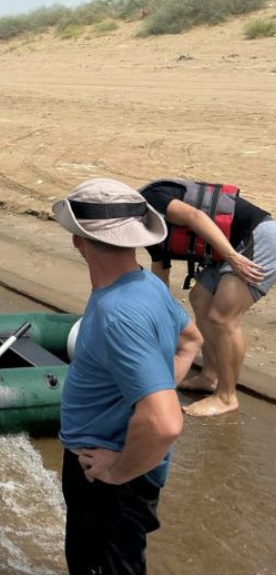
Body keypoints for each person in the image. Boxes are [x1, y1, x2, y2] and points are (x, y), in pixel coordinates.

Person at [52, 178, 203, 574]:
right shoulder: (146, 284)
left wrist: (117, 471)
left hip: (110, 476)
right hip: (122, 464)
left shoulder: (118, 312)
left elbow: (165, 422)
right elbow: (190, 341)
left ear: (78, 241)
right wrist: (152, 390)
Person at [139, 179, 273, 416]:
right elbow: (161, 276)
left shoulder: (152, 199)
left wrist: (232, 257)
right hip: (229, 247)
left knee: (222, 317)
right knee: (200, 297)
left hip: (257, 237)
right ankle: (210, 376)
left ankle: (226, 397)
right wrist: (161, 323)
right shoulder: (145, 231)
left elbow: (196, 217)